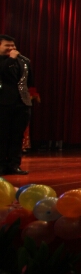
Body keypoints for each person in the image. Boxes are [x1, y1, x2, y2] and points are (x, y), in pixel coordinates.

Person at [0, 35, 33, 175]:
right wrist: (11, 59)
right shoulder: (6, 61)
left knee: (17, 136)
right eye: (7, 45)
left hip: (21, 103)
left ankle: (14, 165)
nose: (11, 48)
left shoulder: (24, 61)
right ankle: (1, 165)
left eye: (13, 45)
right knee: (2, 135)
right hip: (2, 103)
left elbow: (28, 81)